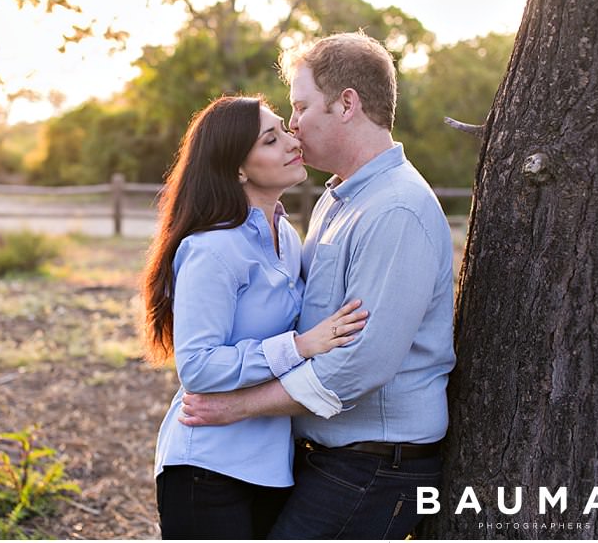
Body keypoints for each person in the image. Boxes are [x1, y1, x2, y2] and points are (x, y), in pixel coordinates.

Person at [179, 32, 457, 539]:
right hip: (332, 458)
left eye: (301, 106)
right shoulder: (335, 200)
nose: (294, 124)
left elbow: (360, 362)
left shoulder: (396, 209)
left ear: (346, 103)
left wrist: (240, 405)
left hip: (376, 465)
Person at [141, 95, 369, 540]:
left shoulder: (286, 235)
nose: (291, 140)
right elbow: (198, 367)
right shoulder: (212, 249)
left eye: (285, 128)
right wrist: (299, 347)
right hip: (206, 468)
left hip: (272, 466)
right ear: (238, 169)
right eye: (271, 139)